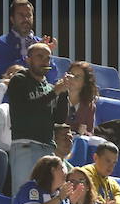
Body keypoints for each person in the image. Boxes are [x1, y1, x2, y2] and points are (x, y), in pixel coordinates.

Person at [7, 43, 77, 194]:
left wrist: (63, 92)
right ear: (28, 59)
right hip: (26, 145)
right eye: (40, 56)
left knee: (43, 197)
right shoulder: (19, 80)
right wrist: (55, 92)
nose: (45, 61)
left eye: (48, 58)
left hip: (47, 148)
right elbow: (26, 109)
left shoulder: (48, 87)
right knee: (23, 196)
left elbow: (58, 119)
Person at [0, 0, 55, 70]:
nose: (25, 19)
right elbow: (5, 71)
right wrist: (33, 55)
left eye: (29, 15)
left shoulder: (41, 43)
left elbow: (52, 76)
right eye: (21, 15)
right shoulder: (2, 42)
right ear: (12, 19)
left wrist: (47, 55)